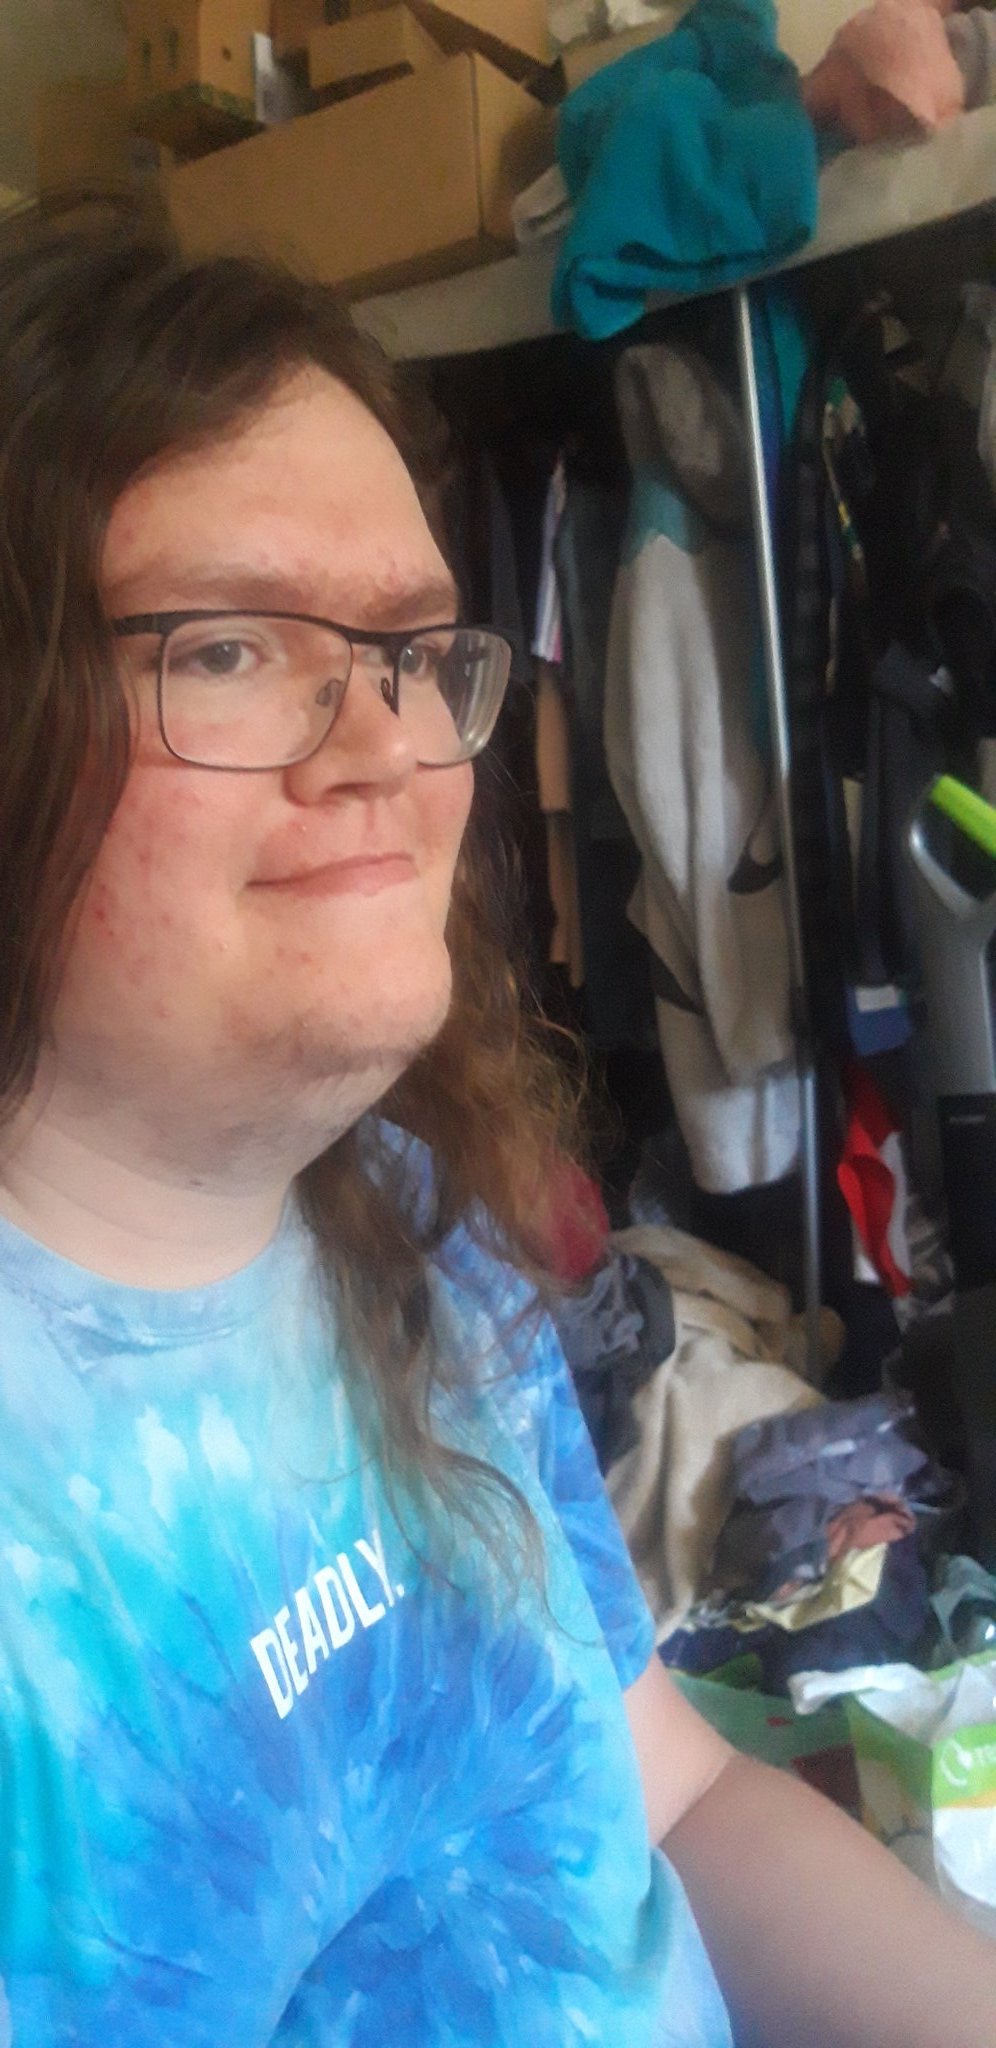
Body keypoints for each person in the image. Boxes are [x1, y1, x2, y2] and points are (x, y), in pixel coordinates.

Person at [0, 203, 992, 2048]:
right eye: (228, 649)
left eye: (411, 650)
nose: (386, 741)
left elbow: (672, 1801)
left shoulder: (405, 1213)